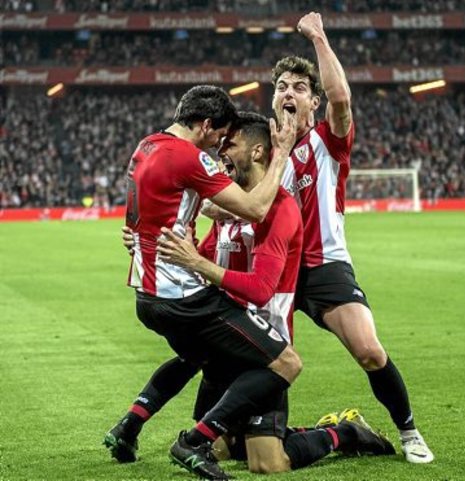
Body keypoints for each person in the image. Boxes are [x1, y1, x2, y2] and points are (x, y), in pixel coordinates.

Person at [108, 112, 394, 476]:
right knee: (222, 446)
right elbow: (198, 258)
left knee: (268, 464)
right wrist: (146, 246)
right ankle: (192, 435)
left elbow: (259, 289)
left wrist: (196, 262)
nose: (221, 152)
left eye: (230, 144)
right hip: (231, 340)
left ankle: (346, 433)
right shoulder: (227, 211)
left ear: (257, 151)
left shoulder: (279, 209)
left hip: (265, 352)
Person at [105, 86, 304, 481]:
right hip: (182, 295)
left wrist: (140, 239)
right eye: (219, 136)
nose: (218, 147)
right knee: (286, 362)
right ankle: (195, 441)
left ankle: (128, 426)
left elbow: (148, 211)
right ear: (207, 125)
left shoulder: (146, 145)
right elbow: (256, 208)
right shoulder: (189, 156)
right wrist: (283, 152)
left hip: (146, 294)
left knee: (198, 356)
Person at [276, 12, 434, 462]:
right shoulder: (264, 151)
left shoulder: (326, 142)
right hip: (276, 272)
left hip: (325, 264)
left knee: (368, 351)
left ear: (312, 102)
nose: (289, 93)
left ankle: (408, 431)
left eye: (299, 88)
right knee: (265, 362)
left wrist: (318, 37)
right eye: (282, 86)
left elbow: (341, 98)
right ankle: (250, 431)